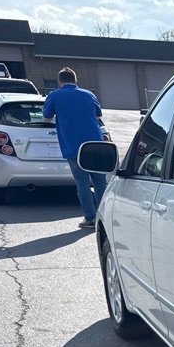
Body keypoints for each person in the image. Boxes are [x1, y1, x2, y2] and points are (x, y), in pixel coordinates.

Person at [42, 67, 108, 229]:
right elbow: (98, 115)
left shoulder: (54, 96)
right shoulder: (89, 94)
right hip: (96, 144)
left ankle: (90, 218)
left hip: (74, 147)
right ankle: (104, 217)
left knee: (82, 183)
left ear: (60, 81)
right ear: (75, 79)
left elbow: (46, 118)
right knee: (100, 182)